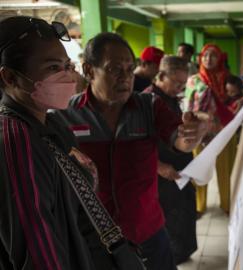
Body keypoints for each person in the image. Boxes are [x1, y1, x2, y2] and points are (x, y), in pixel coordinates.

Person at [52, 33, 207, 270]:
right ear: (89, 70)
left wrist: (191, 134)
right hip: (94, 240)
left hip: (148, 234)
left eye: (130, 68)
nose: (126, 77)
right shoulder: (66, 117)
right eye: (115, 69)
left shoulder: (149, 107)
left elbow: (179, 140)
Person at [0, 16, 104, 270]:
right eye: (52, 68)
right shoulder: (16, 139)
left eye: (67, 65)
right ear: (10, 77)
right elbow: (38, 248)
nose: (68, 76)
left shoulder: (51, 125)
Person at [142, 56, 197, 264]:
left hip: (179, 171)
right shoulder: (146, 101)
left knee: (183, 214)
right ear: (161, 76)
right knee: (170, 220)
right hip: (163, 174)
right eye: (176, 83)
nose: (180, 88)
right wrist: (158, 166)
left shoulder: (170, 98)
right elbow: (138, 143)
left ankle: (182, 255)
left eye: (184, 84)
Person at [184, 44, 236, 215]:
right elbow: (188, 106)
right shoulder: (194, 80)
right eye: (205, 55)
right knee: (200, 168)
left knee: (225, 169)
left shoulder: (228, 79)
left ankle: (226, 204)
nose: (208, 59)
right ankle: (200, 206)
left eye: (213, 55)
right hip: (200, 131)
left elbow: (234, 102)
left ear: (220, 58)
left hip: (223, 130)